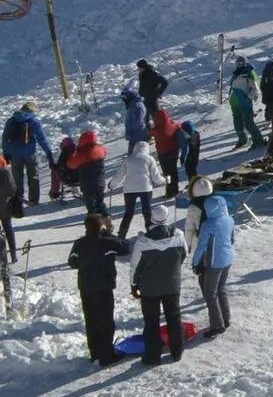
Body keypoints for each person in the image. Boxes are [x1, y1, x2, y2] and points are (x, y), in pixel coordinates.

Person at [68, 214, 128, 367]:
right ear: (102, 226)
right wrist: (108, 234)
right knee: (106, 320)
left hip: (86, 286)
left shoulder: (79, 243)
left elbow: (72, 262)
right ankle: (107, 355)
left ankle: (94, 353)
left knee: (91, 320)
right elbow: (125, 248)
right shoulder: (107, 241)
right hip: (104, 286)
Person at [129, 219, 188, 366]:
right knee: (174, 317)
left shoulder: (142, 242)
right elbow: (184, 254)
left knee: (151, 321)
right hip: (171, 285)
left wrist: (133, 284)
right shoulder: (178, 236)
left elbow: (135, 266)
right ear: (166, 219)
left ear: (152, 221)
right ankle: (177, 352)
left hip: (149, 288)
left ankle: (153, 356)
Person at [191, 188, 235, 337]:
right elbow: (232, 239)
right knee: (221, 289)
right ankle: (225, 319)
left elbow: (201, 247)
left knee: (210, 294)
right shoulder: (230, 220)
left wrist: (195, 263)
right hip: (228, 259)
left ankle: (217, 326)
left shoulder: (208, 224)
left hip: (214, 263)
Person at [0, 99, 55, 214]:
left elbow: (5, 138)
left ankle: (18, 201)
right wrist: (49, 153)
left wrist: (6, 152)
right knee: (33, 177)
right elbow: (42, 139)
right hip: (29, 153)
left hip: (14, 154)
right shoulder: (33, 122)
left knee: (17, 179)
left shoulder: (11, 121)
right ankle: (34, 200)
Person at [118, 140, 165, 238]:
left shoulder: (128, 159)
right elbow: (156, 177)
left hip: (129, 189)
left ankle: (121, 235)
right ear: (146, 148)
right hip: (145, 188)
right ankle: (151, 233)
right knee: (147, 211)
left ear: (135, 148)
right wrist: (164, 181)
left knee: (129, 212)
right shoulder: (149, 159)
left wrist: (111, 185)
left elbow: (119, 175)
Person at [69, 129, 110, 217]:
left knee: (91, 208)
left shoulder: (82, 154)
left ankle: (94, 226)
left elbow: (71, 164)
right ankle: (106, 221)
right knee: (100, 203)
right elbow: (104, 152)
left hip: (87, 185)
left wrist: (73, 154)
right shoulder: (101, 149)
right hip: (100, 183)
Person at [228, 57, 265, 150]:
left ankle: (258, 141)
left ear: (245, 63)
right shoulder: (236, 73)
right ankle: (243, 140)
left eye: (241, 63)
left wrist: (248, 98)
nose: (239, 65)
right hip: (234, 102)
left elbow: (255, 89)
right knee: (237, 123)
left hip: (244, 102)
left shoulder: (249, 73)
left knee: (249, 123)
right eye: (237, 63)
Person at [151, 104, 183, 199]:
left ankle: (169, 192)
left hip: (163, 154)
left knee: (167, 174)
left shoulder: (157, 130)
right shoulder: (173, 125)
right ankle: (176, 189)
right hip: (174, 151)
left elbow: (148, 133)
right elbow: (179, 125)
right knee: (174, 171)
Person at [178, 119, 203, 186]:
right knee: (193, 170)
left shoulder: (187, 138)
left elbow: (184, 149)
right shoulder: (196, 133)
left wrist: (182, 159)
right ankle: (194, 183)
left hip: (189, 158)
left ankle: (192, 184)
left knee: (189, 172)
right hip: (195, 157)